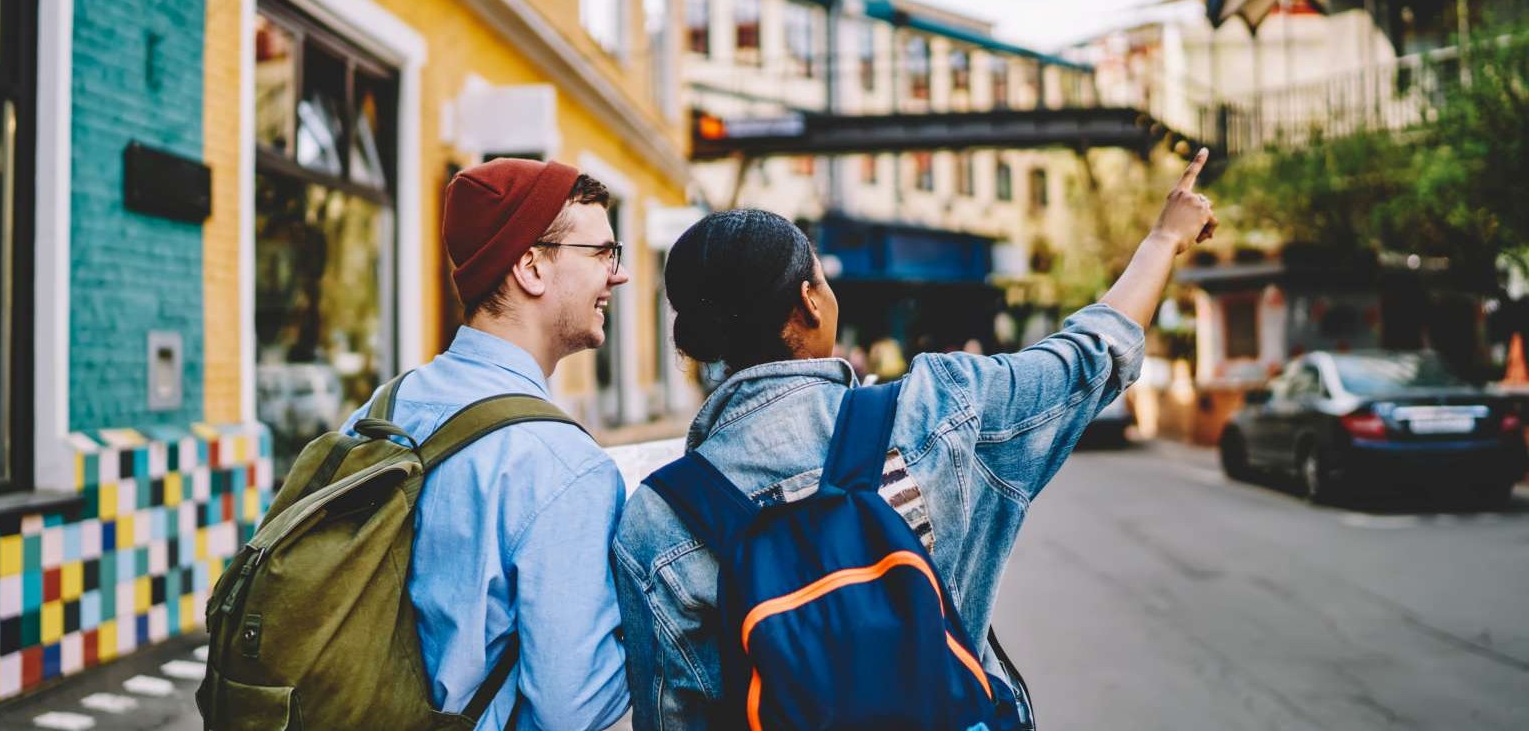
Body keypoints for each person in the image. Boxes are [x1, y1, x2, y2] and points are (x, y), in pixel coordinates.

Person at [612, 150, 1218, 729]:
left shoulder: (659, 520)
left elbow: (676, 717)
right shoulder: (938, 404)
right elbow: (1091, 353)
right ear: (809, 303)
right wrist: (1164, 238)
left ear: (695, 340)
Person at [338, 158, 632, 730]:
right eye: (602, 253)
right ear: (531, 267)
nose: (616, 276)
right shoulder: (562, 466)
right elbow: (576, 712)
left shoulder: (381, 410)